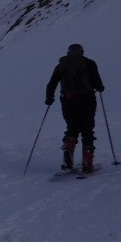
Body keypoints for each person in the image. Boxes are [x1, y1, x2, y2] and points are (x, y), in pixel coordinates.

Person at [46, 43, 106, 172]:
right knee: (87, 129)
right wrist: (100, 87)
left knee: (72, 127)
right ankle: (87, 160)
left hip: (68, 100)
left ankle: (68, 149)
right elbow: (97, 82)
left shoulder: (61, 65)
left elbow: (51, 84)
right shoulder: (90, 63)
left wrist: (49, 99)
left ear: (68, 53)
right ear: (82, 52)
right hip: (87, 99)